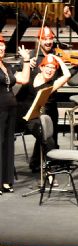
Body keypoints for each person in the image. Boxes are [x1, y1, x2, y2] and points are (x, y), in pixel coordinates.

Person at [16, 54, 71, 172]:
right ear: (41, 67)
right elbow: (16, 77)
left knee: (46, 136)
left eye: (53, 68)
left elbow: (67, 75)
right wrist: (27, 62)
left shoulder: (51, 86)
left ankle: (49, 168)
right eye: (48, 66)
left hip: (31, 118)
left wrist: (58, 59)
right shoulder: (30, 75)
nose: (50, 70)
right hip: (17, 116)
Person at [0, 36, 30, 194]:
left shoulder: (6, 66)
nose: (2, 49)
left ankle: (6, 180)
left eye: (3, 46)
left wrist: (26, 61)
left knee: (8, 144)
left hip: (11, 109)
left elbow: (24, 79)